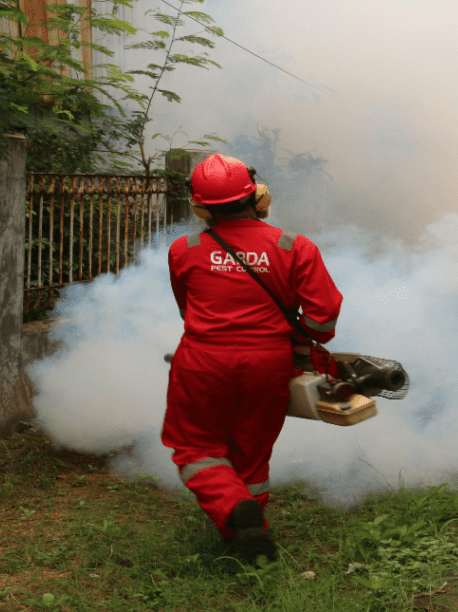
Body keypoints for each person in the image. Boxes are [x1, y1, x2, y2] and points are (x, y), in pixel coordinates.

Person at [162, 153, 343, 563]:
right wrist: (304, 342)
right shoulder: (294, 246)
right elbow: (324, 316)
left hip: (202, 361)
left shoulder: (183, 249)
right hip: (268, 364)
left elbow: (186, 310)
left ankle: (233, 511)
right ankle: (250, 535)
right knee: (252, 449)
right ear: (258, 197)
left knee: (194, 446)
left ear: (199, 205)